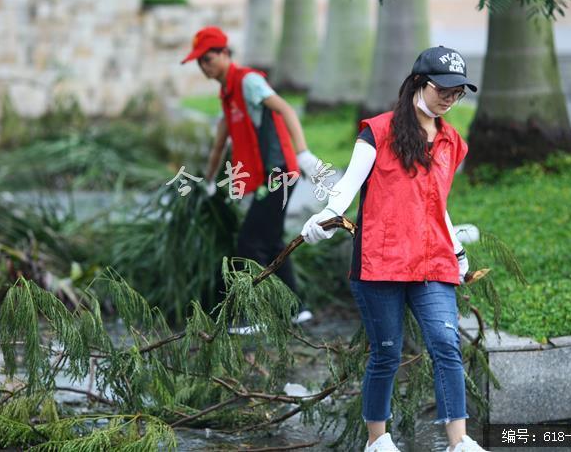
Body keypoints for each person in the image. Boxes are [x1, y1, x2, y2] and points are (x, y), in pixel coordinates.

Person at [301, 46, 489, 452]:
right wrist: (326, 219)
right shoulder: (378, 131)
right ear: (419, 83)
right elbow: (346, 188)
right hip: (380, 262)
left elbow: (437, 204)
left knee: (445, 345)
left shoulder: (452, 142)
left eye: (459, 93)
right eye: (444, 90)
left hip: (433, 261)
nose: (451, 99)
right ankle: (377, 440)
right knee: (386, 353)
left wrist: (456, 250)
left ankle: (459, 442)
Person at [181, 26, 320, 331]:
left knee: (250, 242)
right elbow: (220, 142)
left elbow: (285, 109)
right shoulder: (228, 93)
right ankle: (297, 309)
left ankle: (257, 316)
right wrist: (207, 182)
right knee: (269, 241)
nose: (204, 66)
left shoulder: (248, 82)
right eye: (199, 62)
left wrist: (304, 153)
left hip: (280, 171)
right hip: (269, 176)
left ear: (224, 54)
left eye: (208, 58)